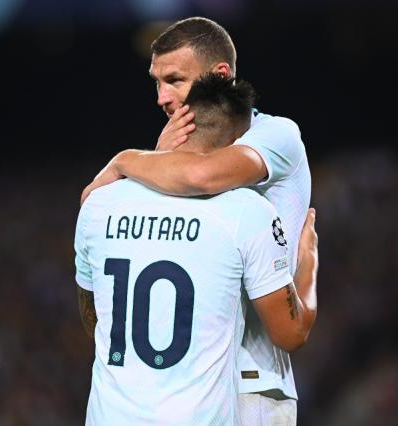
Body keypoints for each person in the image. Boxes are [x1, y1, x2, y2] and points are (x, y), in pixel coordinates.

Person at [81, 17, 313, 424]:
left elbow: (201, 175)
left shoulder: (275, 134)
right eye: (156, 82)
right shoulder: (170, 157)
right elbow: (91, 204)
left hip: (252, 381)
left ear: (219, 75)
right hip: (179, 382)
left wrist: (126, 161)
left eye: (174, 80)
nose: (161, 97)